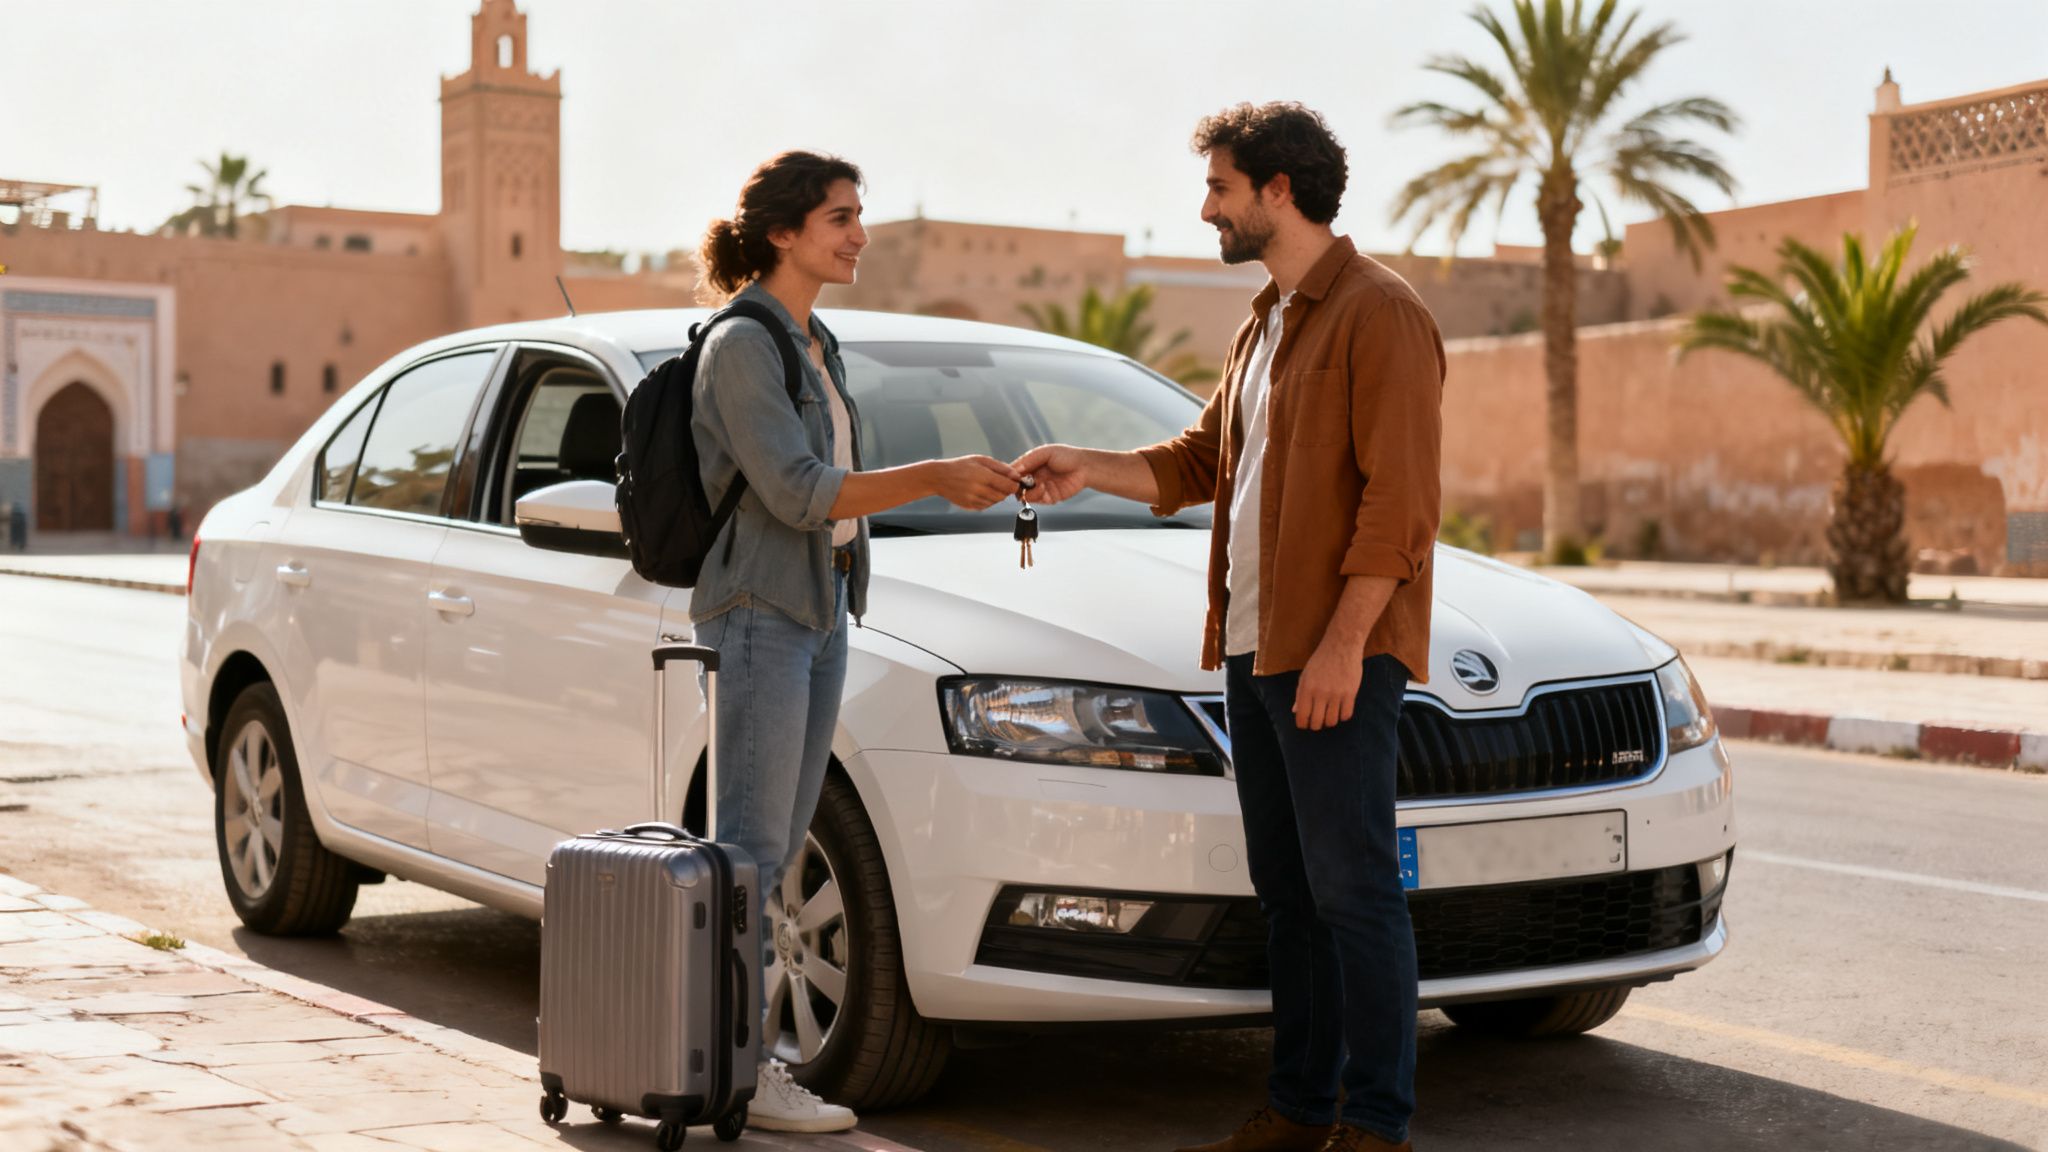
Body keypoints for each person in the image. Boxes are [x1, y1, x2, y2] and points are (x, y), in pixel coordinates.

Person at [1013, 104, 1445, 1152]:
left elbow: (1400, 506)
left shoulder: (1377, 313)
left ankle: (1376, 1124)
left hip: (1332, 649)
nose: (1204, 205)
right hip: (1255, 647)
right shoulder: (1265, 321)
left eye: (1218, 187)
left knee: (1352, 890)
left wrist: (1345, 643)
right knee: (1289, 895)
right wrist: (1088, 465)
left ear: (1276, 191)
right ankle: (1300, 1110)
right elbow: (1199, 463)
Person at [688, 150, 1020, 1133]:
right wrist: (932, 477)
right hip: (757, 610)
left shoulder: (812, 338)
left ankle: (739, 1067)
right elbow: (794, 489)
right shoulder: (743, 344)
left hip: (820, 606)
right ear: (782, 233)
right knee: (747, 850)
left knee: (779, 843)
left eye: (858, 214)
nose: (857, 233)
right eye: (838, 218)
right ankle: (737, 1078)